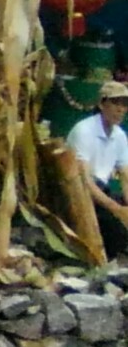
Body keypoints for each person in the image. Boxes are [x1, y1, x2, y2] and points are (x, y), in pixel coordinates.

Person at [67, 80, 128, 258]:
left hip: (102, 191)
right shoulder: (84, 130)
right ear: (102, 104)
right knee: (115, 228)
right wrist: (116, 209)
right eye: (115, 103)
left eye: (124, 104)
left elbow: (125, 177)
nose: (121, 109)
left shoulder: (120, 135)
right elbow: (85, 181)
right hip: (79, 192)